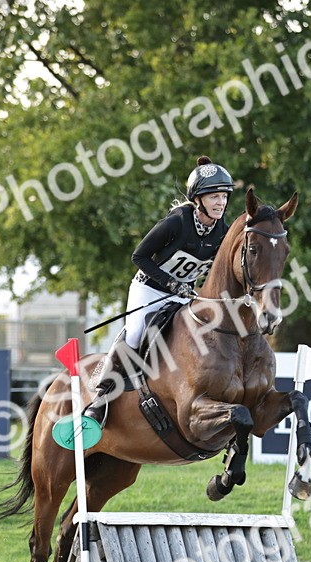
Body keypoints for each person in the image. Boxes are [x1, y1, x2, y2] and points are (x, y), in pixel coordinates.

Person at [82, 156, 234, 427]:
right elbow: (139, 256)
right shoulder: (177, 222)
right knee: (136, 334)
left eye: (223, 196)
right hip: (149, 288)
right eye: (213, 196)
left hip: (185, 295)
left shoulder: (222, 231)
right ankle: (101, 398)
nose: (220, 202)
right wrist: (171, 283)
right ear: (197, 199)